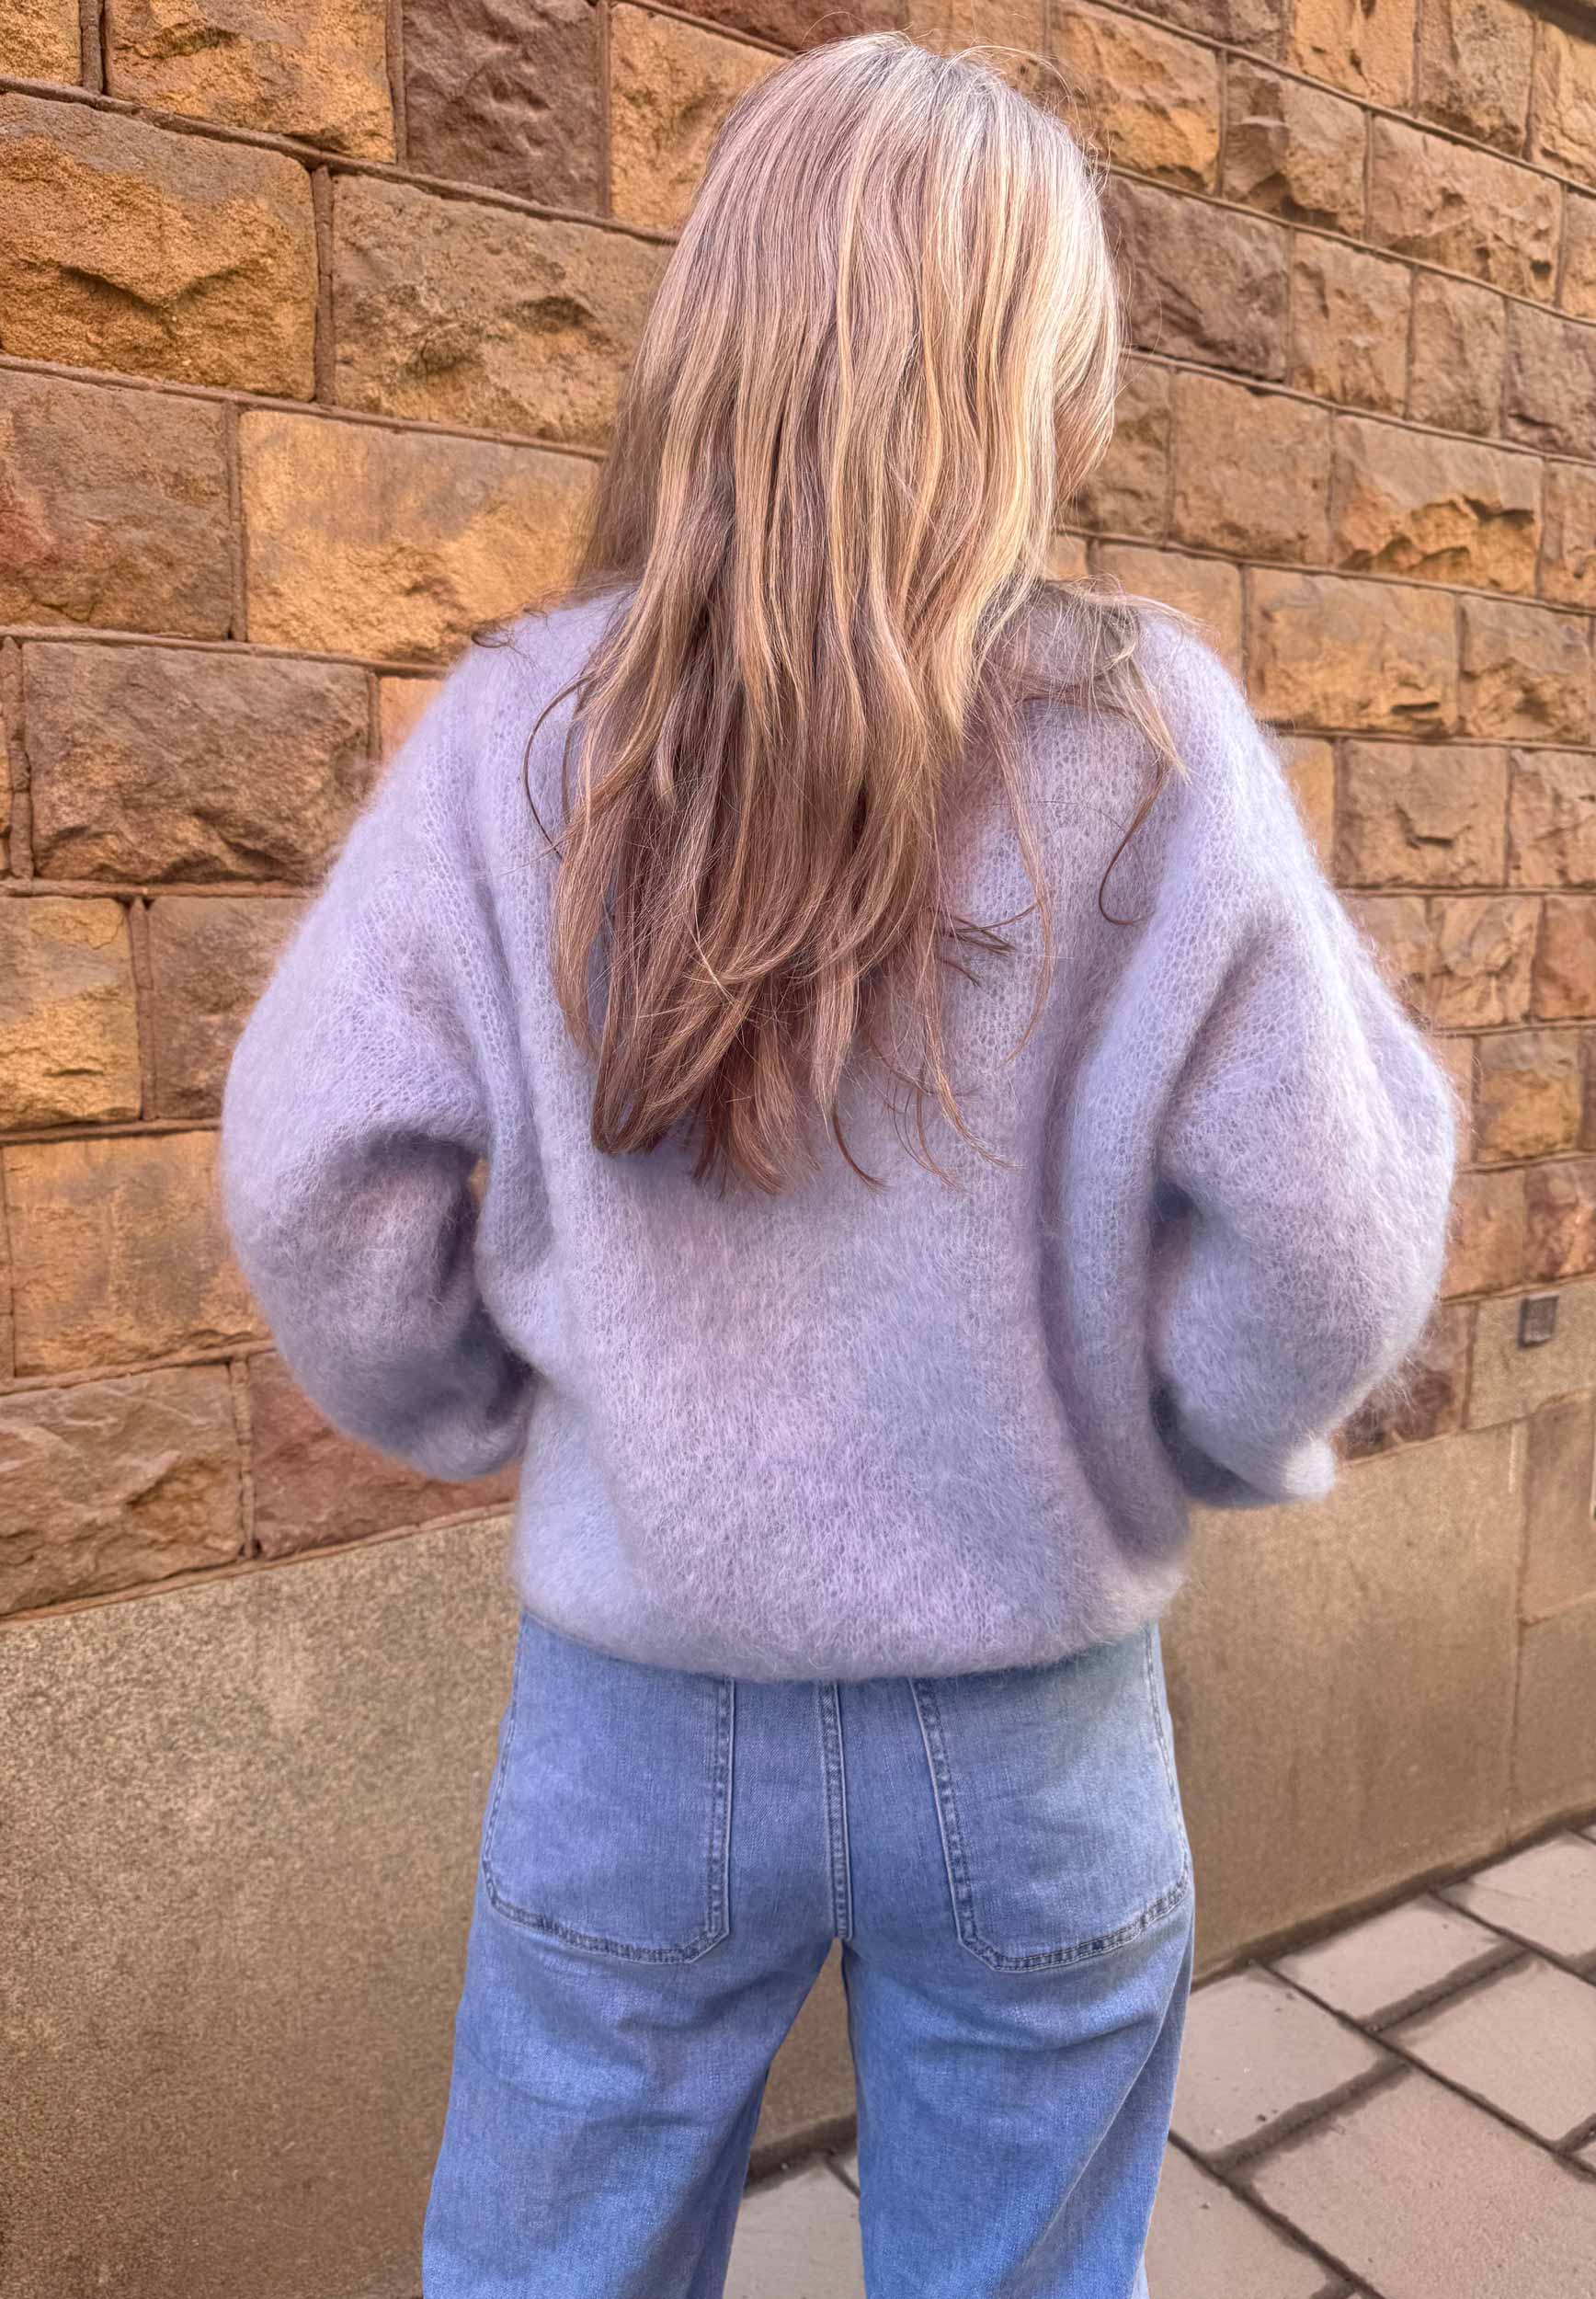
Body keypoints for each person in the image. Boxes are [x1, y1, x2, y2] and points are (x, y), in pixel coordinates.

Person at [220, 32, 1456, 2299]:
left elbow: (317, 1173)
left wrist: (509, 1405)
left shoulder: (527, 731)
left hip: (635, 1708)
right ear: (1038, 377)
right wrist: (1166, 1433)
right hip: (1036, 1714)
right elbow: (1335, 1235)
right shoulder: (1146, 739)